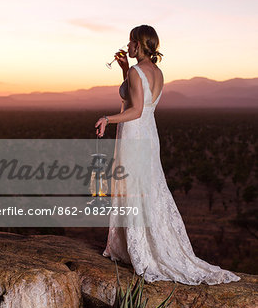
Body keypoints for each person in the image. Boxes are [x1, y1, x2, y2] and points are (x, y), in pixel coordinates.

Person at [95, 24, 241, 285]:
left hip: (135, 134)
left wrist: (108, 118)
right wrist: (124, 69)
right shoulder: (156, 72)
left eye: (130, 43)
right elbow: (137, 97)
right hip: (149, 134)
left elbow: (135, 109)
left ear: (138, 45)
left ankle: (140, 251)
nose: (127, 47)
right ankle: (135, 246)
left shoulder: (139, 72)